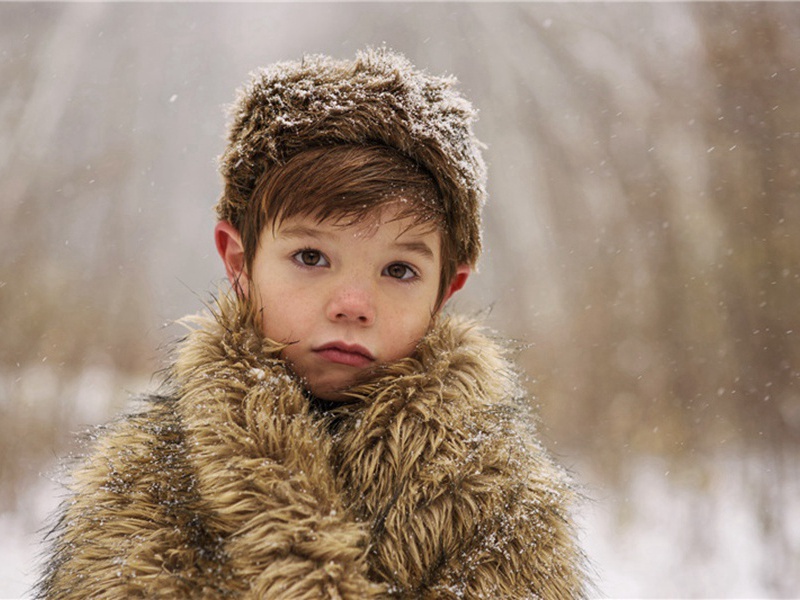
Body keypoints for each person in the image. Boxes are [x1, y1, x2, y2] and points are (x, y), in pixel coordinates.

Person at [38, 48, 589, 599]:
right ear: (239, 262)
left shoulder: (503, 508)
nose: (353, 304)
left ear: (445, 291)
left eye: (399, 270)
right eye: (311, 258)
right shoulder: (141, 491)